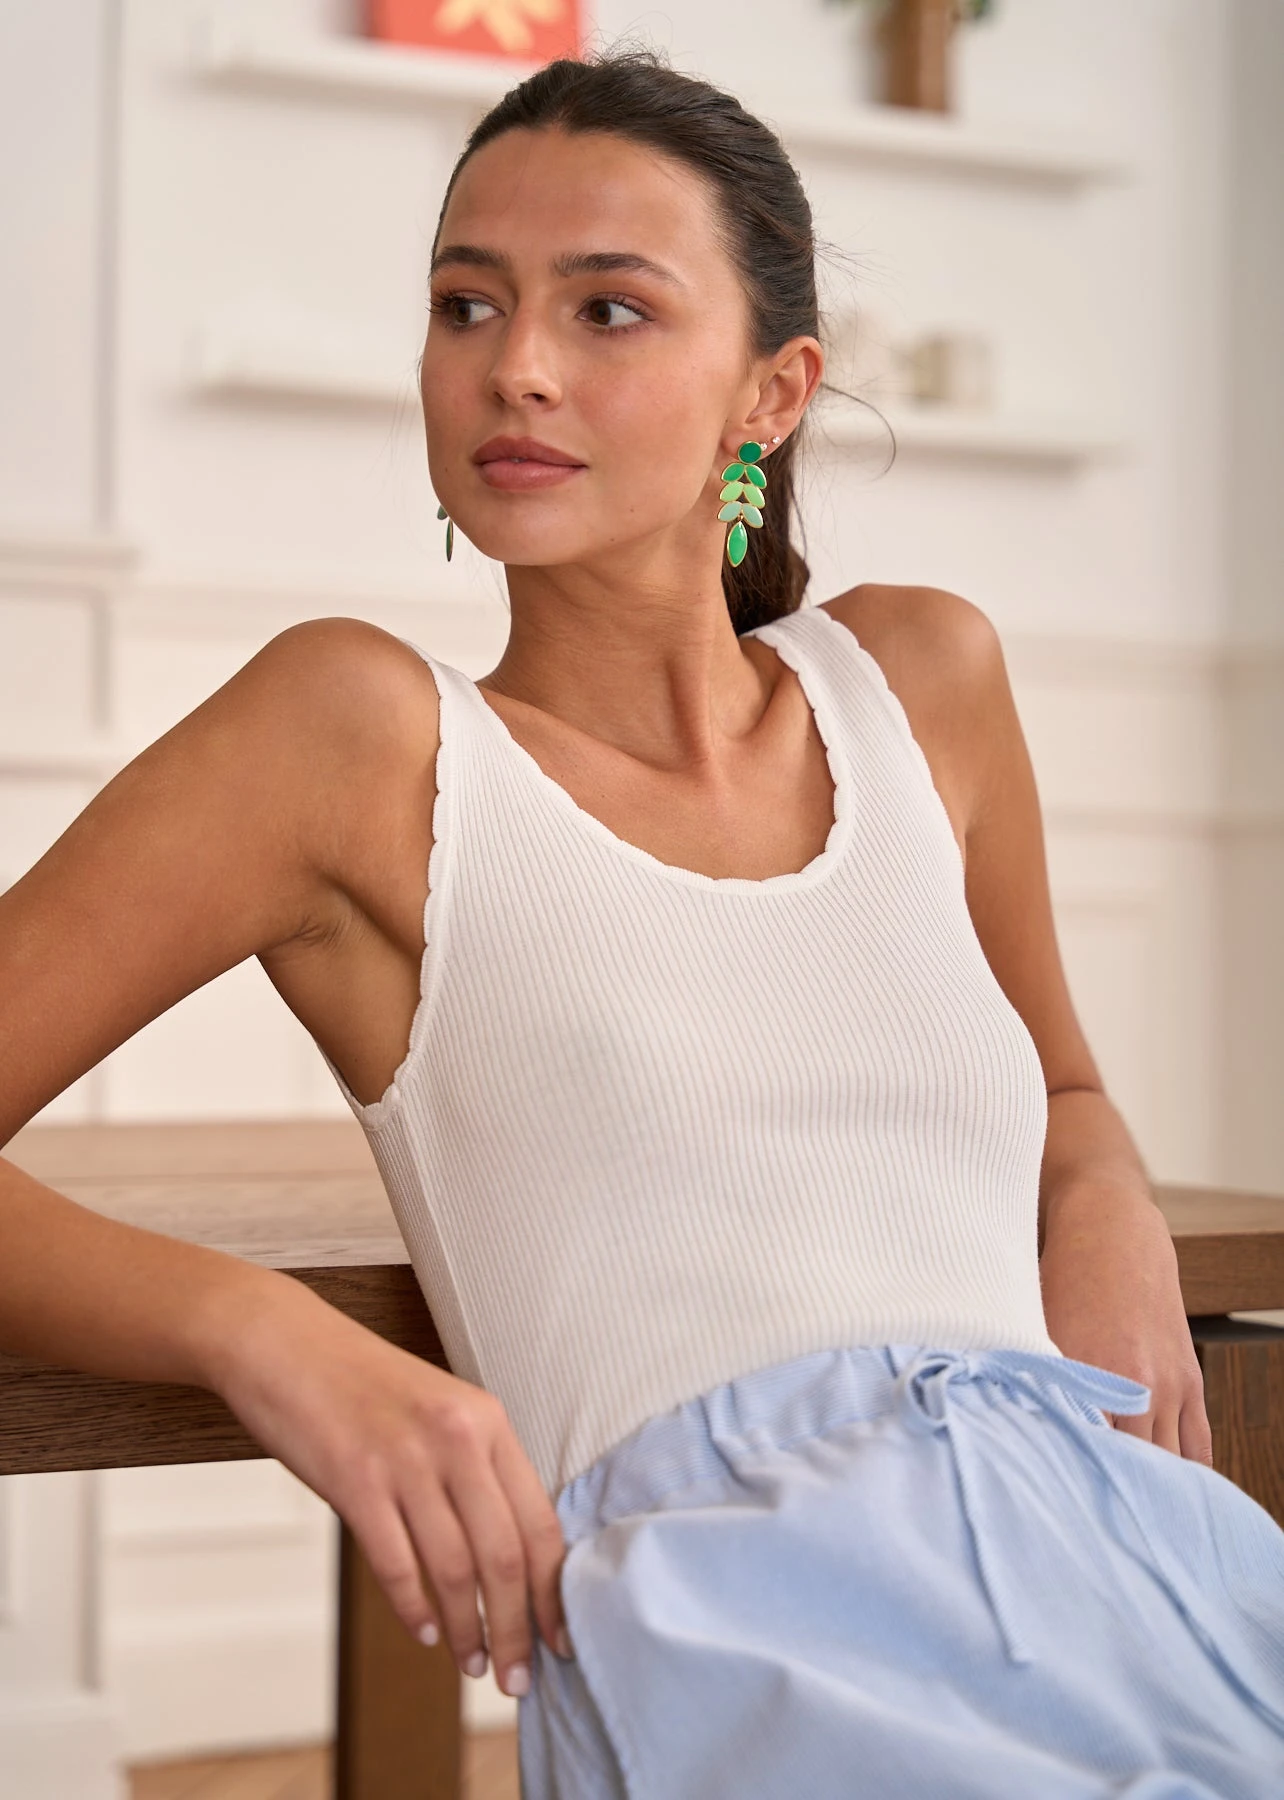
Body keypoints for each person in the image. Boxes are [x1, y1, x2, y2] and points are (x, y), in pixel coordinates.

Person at [1, 43, 1281, 1800]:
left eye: (608, 309)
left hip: (1114, 1558)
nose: (514, 366)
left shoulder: (924, 681)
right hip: (751, 1652)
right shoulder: (355, 740)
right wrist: (264, 1334)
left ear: (773, 394)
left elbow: (1060, 1085)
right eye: (467, 304)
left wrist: (1105, 1190)